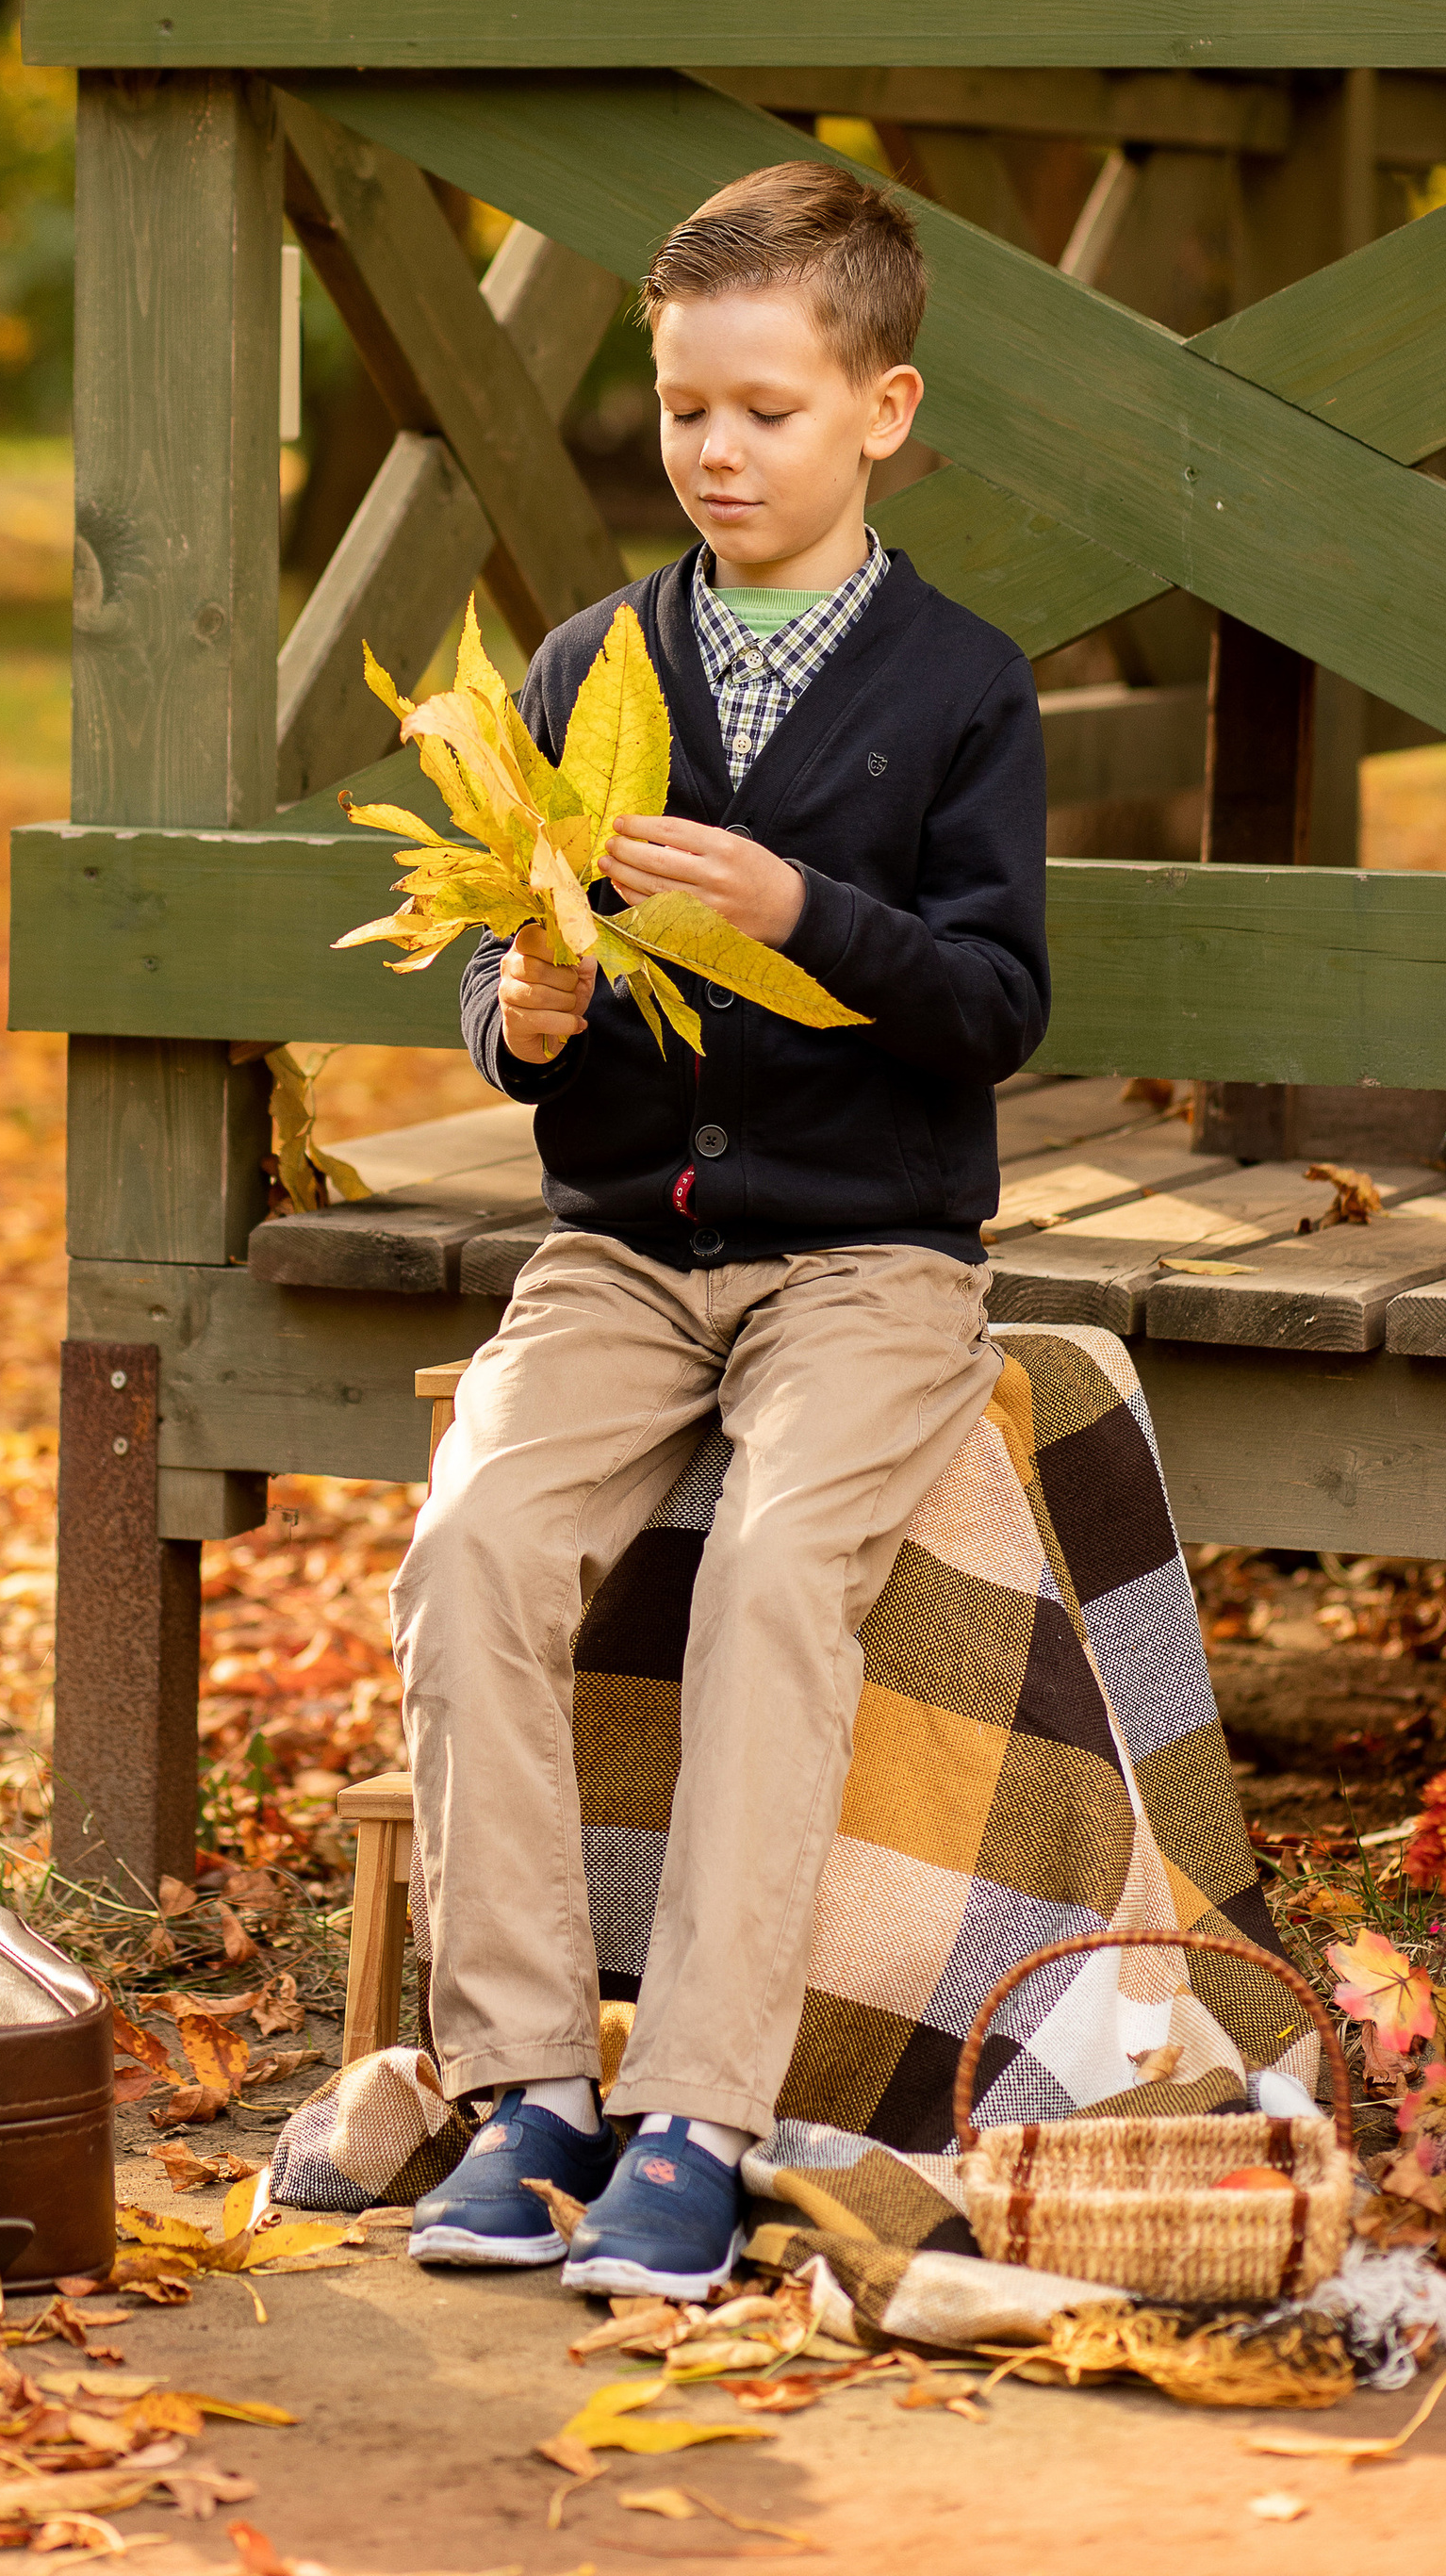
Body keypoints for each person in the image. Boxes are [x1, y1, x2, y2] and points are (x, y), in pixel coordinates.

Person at [393, 155, 1050, 2300]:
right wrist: (527, 1012)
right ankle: (516, 2090)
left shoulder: (957, 685)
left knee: (774, 1570)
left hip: (865, 1259)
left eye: (764, 409)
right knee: (475, 1537)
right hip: (615, 1254)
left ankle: (694, 2108)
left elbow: (992, 1005)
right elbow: (508, 985)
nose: (714, 450)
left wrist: (798, 912)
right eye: (684, 407)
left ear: (878, 408)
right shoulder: (595, 662)